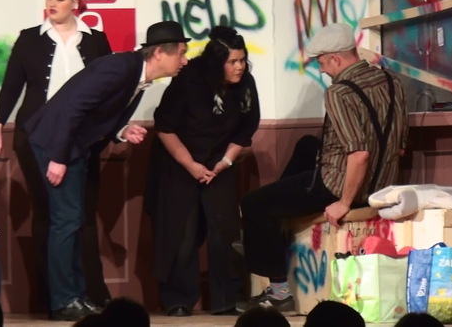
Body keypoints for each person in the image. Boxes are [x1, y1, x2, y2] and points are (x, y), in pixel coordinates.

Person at [25, 20, 190, 321]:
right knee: (66, 221)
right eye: (180, 53)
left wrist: (122, 130)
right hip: (56, 143)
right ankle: (63, 301)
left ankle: (76, 296)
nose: (185, 60)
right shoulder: (119, 67)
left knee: (74, 220)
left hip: (73, 146)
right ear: (159, 53)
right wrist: (58, 157)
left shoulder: (138, 77)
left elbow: (101, 112)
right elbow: (74, 107)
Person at [236, 23, 407, 313]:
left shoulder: (339, 92)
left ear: (336, 59)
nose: (322, 69)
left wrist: (344, 203)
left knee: (254, 204)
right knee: (307, 145)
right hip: (382, 184)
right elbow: (400, 146)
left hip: (341, 187)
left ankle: (278, 291)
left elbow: (359, 155)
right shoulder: (391, 81)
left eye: (322, 62)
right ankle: (274, 227)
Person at [0, 0, 113, 312]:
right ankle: (54, 297)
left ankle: (83, 294)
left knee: (79, 216)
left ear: (76, 3)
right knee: (52, 215)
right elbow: (12, 85)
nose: (52, 4)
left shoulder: (95, 40)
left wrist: (115, 128)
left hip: (81, 139)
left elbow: (110, 89)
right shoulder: (30, 39)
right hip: (37, 138)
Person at [144, 26, 260, 316]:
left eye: (242, 60)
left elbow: (246, 128)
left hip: (220, 163)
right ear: (216, 62)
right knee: (182, 233)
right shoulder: (189, 80)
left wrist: (226, 162)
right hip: (179, 161)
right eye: (232, 61)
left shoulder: (245, 84)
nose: (239, 67)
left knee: (225, 231)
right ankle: (178, 300)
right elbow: (165, 127)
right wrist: (191, 165)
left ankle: (227, 299)